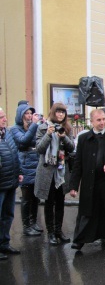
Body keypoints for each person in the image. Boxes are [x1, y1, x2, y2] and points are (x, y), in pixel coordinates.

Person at [69, 109, 105, 250]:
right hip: (90, 181)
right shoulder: (83, 138)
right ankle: (80, 239)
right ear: (91, 121)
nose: (102, 122)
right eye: (98, 120)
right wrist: (74, 185)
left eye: (104, 119)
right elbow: (78, 163)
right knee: (88, 211)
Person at [35, 103, 75, 245]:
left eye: (63, 112)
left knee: (60, 202)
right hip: (48, 171)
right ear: (53, 113)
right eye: (58, 112)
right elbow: (39, 149)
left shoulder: (67, 129)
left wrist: (64, 137)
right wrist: (48, 134)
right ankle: (51, 232)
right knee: (49, 202)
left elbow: (72, 148)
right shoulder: (42, 127)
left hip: (61, 170)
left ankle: (59, 231)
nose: (60, 115)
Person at [10, 104, 42, 236]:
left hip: (35, 162)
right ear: (21, 115)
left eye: (31, 113)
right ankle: (26, 225)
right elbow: (23, 141)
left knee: (35, 197)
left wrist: (41, 127)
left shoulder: (32, 127)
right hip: (24, 164)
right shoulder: (14, 129)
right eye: (27, 113)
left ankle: (33, 222)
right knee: (26, 197)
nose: (29, 116)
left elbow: (37, 142)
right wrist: (34, 126)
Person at [0, 107, 23, 260]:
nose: (5, 119)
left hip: (11, 181)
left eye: (4, 116)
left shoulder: (6, 133)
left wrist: (19, 171)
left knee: (7, 215)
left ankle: (4, 243)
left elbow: (15, 153)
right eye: (1, 117)